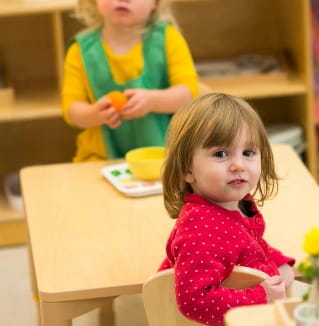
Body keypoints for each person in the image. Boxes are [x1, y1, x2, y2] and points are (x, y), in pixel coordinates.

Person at [159, 93, 295, 325]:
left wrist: (276, 260)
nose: (238, 165)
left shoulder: (232, 205)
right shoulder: (202, 231)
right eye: (221, 154)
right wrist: (262, 296)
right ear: (187, 169)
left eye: (248, 153)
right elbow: (195, 301)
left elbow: (249, 243)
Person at [61, 0, 198, 162]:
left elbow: (188, 94)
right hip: (99, 160)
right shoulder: (80, 50)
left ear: (156, 3)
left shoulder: (169, 38)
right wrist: (96, 114)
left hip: (163, 158)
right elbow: (72, 110)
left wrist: (153, 101)